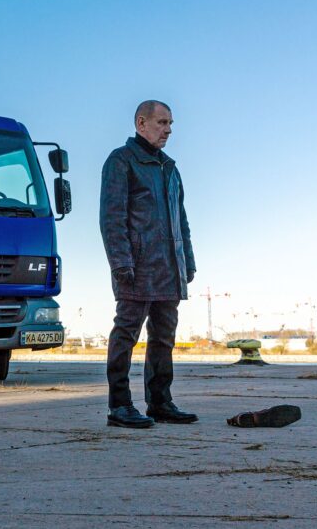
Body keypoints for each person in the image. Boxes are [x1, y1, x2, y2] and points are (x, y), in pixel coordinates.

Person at [99, 100, 197, 428]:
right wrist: (121, 263)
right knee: (126, 332)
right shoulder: (121, 161)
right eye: (162, 122)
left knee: (164, 337)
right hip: (136, 267)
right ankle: (119, 405)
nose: (168, 129)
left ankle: (160, 401)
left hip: (169, 269)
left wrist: (188, 262)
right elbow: (112, 218)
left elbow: (180, 220)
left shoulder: (170, 168)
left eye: (171, 123)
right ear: (141, 123)